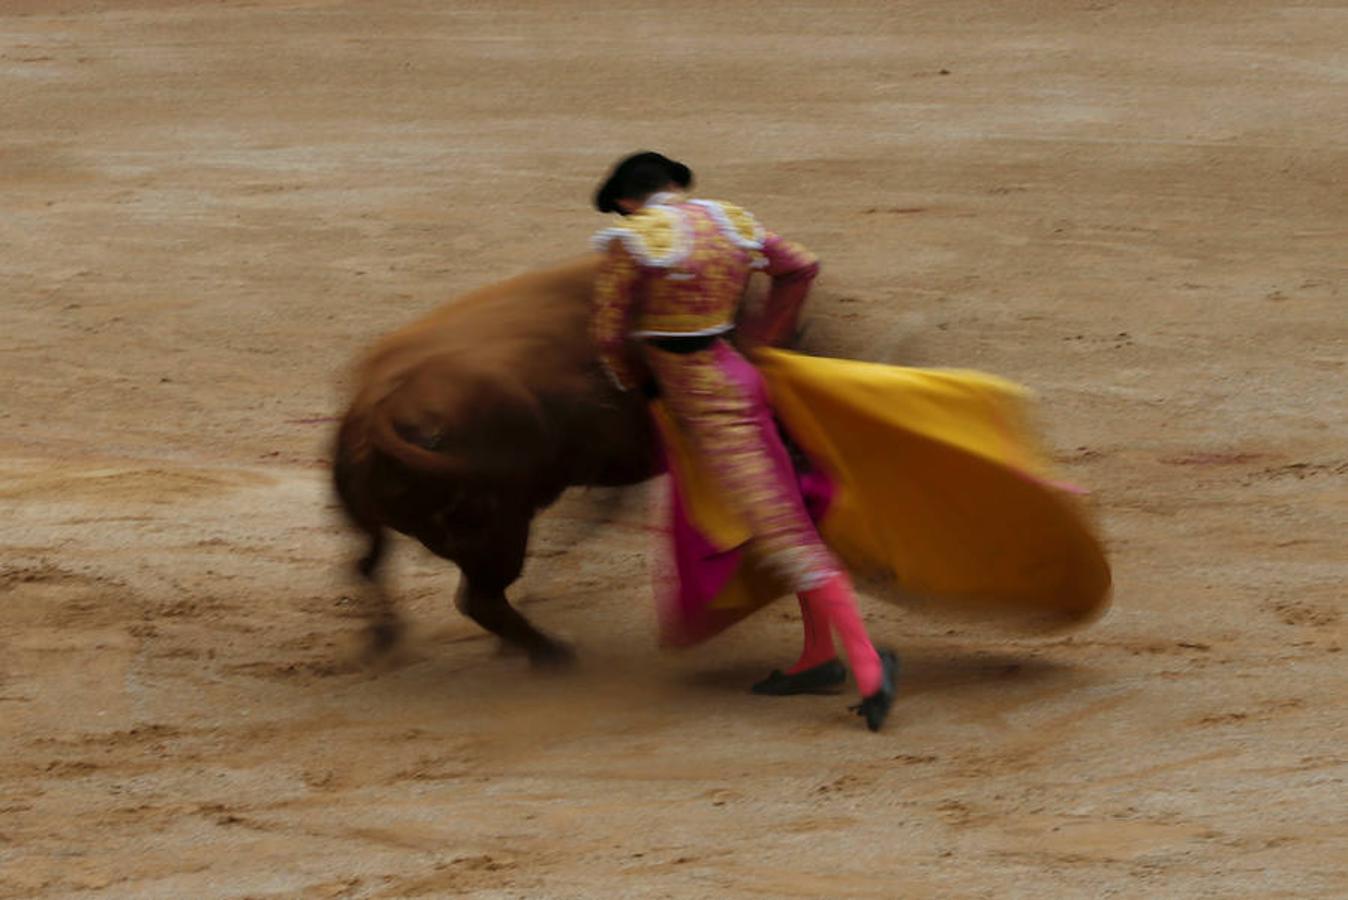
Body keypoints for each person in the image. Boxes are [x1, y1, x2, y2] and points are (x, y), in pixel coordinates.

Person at [589, 151, 897, 731]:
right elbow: (801, 267)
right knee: (787, 513)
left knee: (783, 530)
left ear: (628, 201)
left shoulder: (631, 239)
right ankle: (817, 656)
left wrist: (641, 384)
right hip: (742, 377)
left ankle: (870, 665)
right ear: (677, 184)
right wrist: (764, 337)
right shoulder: (730, 220)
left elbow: (608, 336)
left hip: (706, 406)